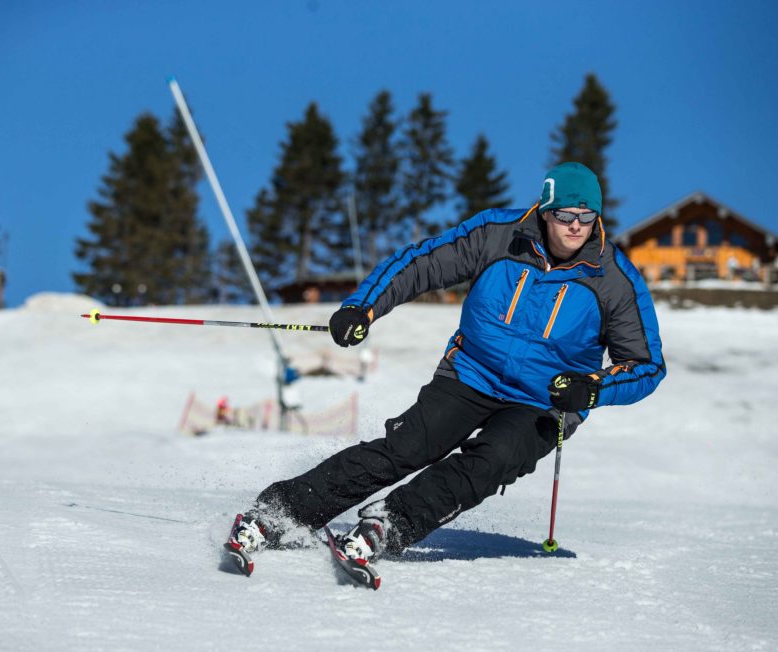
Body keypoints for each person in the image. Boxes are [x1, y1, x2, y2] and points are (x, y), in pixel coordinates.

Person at [226, 162, 666, 572]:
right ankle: (279, 512)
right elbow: (422, 263)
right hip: (471, 373)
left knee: (492, 460)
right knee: (409, 447)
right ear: (544, 212)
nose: (575, 226)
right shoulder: (499, 234)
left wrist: (592, 390)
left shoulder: (614, 279)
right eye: (566, 214)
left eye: (586, 217)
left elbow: (645, 365)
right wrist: (364, 308)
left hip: (543, 401)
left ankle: (389, 523)